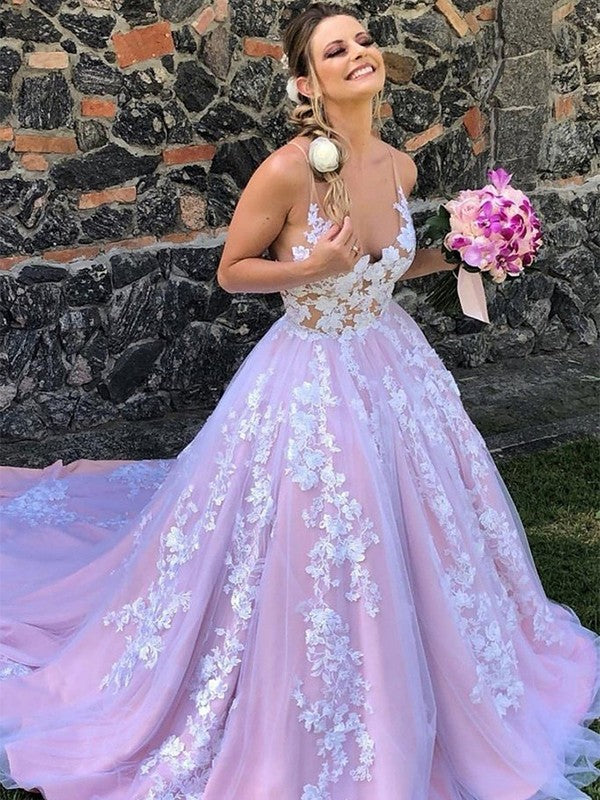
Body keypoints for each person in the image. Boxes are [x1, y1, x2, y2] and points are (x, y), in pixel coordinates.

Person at [1, 3, 599, 799]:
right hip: (314, 373)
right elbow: (233, 270)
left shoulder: (399, 166)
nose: (358, 54)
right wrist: (307, 271)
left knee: (421, 523)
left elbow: (388, 264)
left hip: (394, 367)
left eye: (363, 41)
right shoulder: (288, 170)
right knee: (327, 528)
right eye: (335, 49)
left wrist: (471, 249)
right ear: (307, 81)